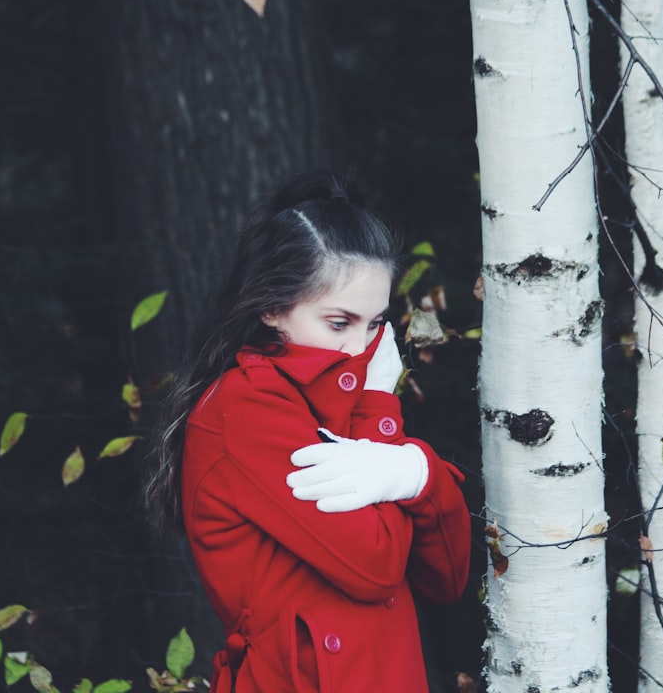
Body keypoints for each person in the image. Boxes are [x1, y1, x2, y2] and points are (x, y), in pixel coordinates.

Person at [144, 170, 471, 692]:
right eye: (339, 322)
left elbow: (447, 577)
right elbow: (377, 567)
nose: (358, 347)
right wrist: (379, 407)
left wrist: (418, 474)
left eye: (374, 324)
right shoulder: (248, 407)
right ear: (273, 307)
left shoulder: (338, 402)